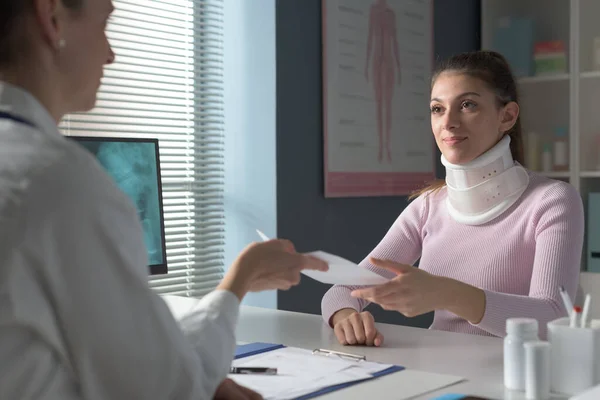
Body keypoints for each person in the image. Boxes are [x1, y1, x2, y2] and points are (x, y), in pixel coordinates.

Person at [0, 0, 327, 399]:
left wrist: (237, 282)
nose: (110, 52)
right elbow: (167, 388)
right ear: (51, 18)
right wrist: (235, 286)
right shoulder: (59, 184)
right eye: (105, 22)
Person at [322, 50, 584, 346]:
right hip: (440, 371)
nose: (448, 122)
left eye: (467, 105)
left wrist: (446, 293)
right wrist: (346, 317)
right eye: (437, 109)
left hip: (517, 377)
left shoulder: (552, 202)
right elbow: (341, 289)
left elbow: (552, 318)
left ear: (507, 116)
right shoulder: (427, 207)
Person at [364, 0, 401, 163]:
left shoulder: (391, 14)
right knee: (380, 105)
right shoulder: (374, 11)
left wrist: (399, 68)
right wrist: (366, 65)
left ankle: (387, 146)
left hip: (389, 63)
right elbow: (370, 38)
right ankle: (380, 147)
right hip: (377, 62)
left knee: (388, 106)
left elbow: (395, 42)